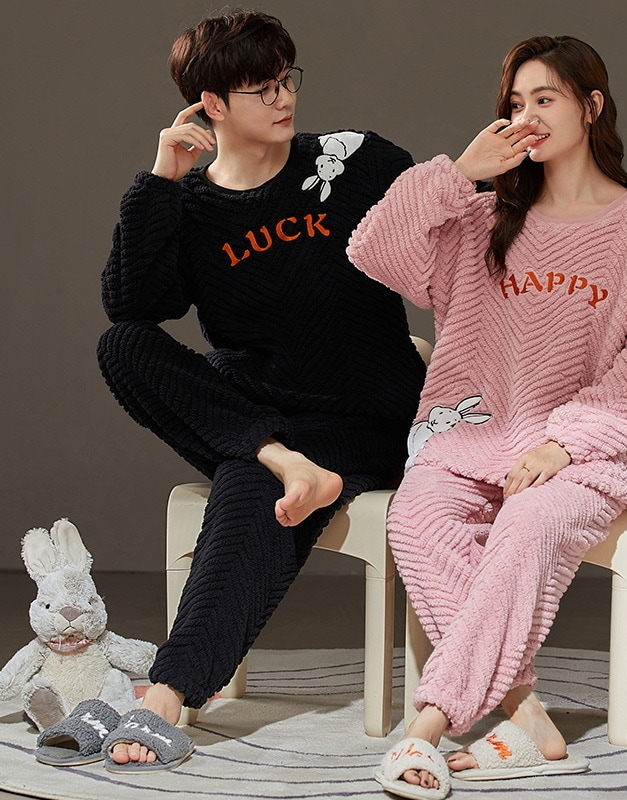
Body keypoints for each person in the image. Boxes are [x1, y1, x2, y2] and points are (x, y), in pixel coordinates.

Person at [348, 35, 627, 798]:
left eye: (545, 99)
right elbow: (372, 247)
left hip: (579, 457)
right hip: (468, 438)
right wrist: (459, 171)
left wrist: (563, 445)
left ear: (591, 107)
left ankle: (426, 727)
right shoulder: (479, 217)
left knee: (527, 524)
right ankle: (529, 718)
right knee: (415, 519)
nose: (527, 116)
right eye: (515, 103)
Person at [95, 10, 425, 771]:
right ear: (211, 104)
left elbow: (448, 220)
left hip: (369, 418)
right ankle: (284, 462)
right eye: (260, 89)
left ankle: (168, 693)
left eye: (285, 80)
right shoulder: (190, 207)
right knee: (124, 348)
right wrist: (159, 181)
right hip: (265, 419)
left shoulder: (354, 161)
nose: (284, 99)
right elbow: (132, 306)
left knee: (248, 483)